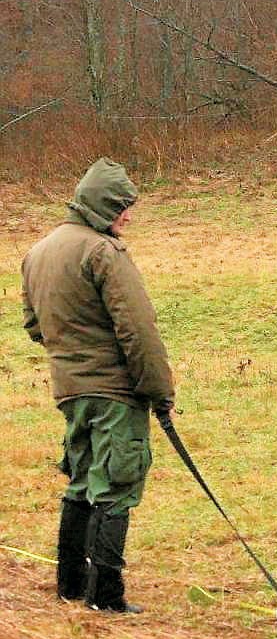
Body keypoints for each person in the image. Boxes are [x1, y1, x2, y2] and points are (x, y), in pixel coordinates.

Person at [22, 157, 175, 614]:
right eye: (123, 207)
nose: (128, 216)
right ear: (103, 205)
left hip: (70, 392)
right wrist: (159, 391)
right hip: (114, 393)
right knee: (115, 486)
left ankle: (70, 587)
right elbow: (139, 331)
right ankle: (106, 598)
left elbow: (35, 326)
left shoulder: (38, 251)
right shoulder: (102, 252)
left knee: (81, 483)